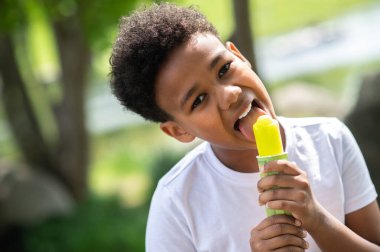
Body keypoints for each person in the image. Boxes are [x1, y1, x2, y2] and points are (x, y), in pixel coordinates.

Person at [109, 3, 380, 251]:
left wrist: (318, 220)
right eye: (199, 100)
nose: (230, 94)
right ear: (179, 130)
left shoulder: (329, 139)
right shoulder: (177, 203)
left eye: (224, 69)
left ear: (238, 55)